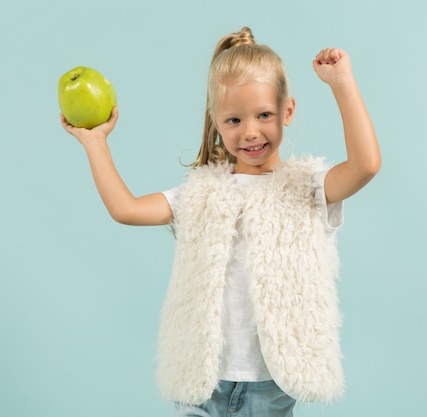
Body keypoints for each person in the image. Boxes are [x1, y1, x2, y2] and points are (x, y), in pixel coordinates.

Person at [60, 26, 380, 417]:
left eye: (264, 115)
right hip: (201, 386)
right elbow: (125, 209)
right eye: (233, 120)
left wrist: (341, 83)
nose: (250, 132)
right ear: (215, 121)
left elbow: (366, 165)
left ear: (288, 111)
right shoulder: (200, 194)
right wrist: (95, 142)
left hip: (271, 388)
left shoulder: (306, 188)